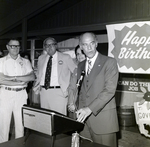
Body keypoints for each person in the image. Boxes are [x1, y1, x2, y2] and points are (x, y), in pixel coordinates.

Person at [72, 32, 119, 147]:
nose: (89, 48)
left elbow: (109, 90)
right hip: (84, 121)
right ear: (81, 47)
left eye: (91, 43)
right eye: (85, 44)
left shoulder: (109, 62)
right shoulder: (80, 65)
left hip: (103, 120)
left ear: (96, 43)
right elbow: (80, 90)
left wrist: (89, 109)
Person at [0, 38, 35, 143]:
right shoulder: (1, 61)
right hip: (5, 94)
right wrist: (20, 80)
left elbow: (32, 76)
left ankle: (19, 145)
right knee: (4, 125)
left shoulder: (25, 61)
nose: (15, 48)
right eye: (12, 46)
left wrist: (10, 78)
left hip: (21, 95)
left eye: (17, 46)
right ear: (7, 47)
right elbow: (0, 79)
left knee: (20, 125)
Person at [33, 37, 76, 115]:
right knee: (46, 119)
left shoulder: (65, 57)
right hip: (44, 92)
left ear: (56, 46)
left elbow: (75, 73)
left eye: (52, 45)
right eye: (47, 45)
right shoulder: (41, 58)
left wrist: (70, 88)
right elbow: (39, 75)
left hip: (59, 92)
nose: (49, 47)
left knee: (59, 119)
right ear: (45, 47)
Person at [68, 45, 86, 115]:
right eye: (77, 54)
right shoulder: (76, 70)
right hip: (77, 104)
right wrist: (70, 103)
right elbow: (71, 88)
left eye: (82, 53)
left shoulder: (94, 69)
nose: (80, 56)